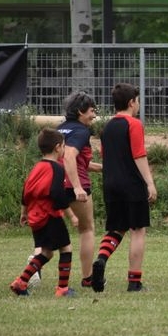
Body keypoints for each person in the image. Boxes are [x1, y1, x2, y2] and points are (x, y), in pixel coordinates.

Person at [91, 83, 158, 293]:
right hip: (132, 184)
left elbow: (106, 156)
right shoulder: (134, 124)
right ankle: (134, 282)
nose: (138, 105)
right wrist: (150, 183)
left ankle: (101, 259)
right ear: (131, 102)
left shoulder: (107, 127)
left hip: (110, 184)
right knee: (138, 230)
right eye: (137, 101)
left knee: (117, 228)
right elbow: (139, 155)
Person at [10, 128, 75, 297]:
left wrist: (23, 213)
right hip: (50, 215)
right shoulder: (57, 168)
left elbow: (25, 191)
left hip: (35, 216)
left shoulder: (37, 167)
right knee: (66, 248)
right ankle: (62, 289)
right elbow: (57, 194)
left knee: (46, 252)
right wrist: (71, 215)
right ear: (57, 147)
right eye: (64, 146)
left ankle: (21, 282)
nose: (64, 149)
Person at [56, 91, 102, 288]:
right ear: (81, 112)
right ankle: (87, 277)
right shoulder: (82, 131)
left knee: (50, 233)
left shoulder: (60, 130)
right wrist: (77, 188)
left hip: (54, 185)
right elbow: (68, 156)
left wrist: (106, 168)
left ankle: (31, 271)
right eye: (92, 111)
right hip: (76, 187)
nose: (94, 115)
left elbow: (79, 161)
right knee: (87, 229)